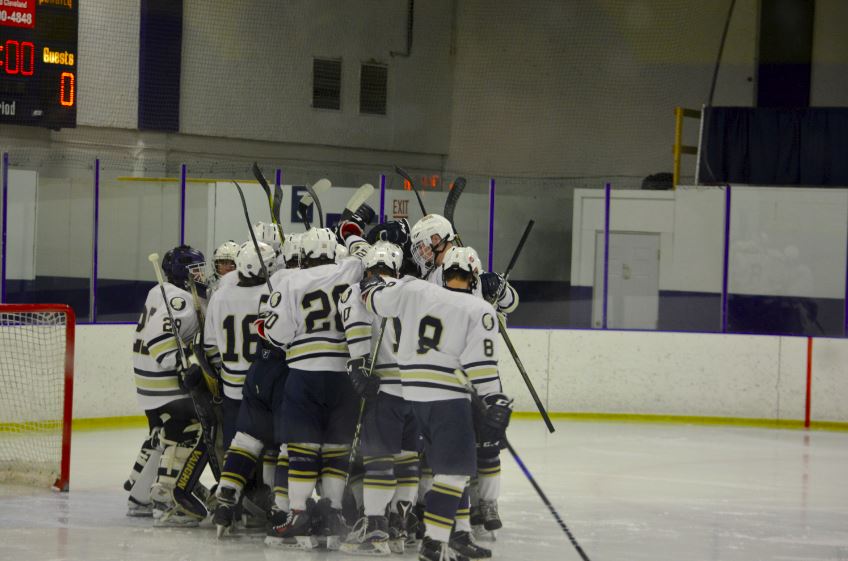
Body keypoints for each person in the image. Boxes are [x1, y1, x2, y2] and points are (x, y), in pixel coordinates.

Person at [362, 246, 512, 561]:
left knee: (444, 469)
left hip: (413, 394)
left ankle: (459, 535)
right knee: (456, 473)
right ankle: (434, 543)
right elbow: (481, 367)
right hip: (448, 397)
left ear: (445, 274)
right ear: (473, 277)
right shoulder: (479, 308)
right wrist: (495, 401)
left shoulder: (415, 289)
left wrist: (370, 286)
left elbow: (374, 299)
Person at [410, 214, 517, 534]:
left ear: (439, 240)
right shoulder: (429, 281)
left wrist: (500, 287)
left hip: (480, 373)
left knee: (486, 443)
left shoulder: (476, 271)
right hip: (447, 375)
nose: (422, 254)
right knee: (446, 446)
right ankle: (447, 504)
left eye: (424, 246)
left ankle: (487, 503)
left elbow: (510, 304)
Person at [261, 227, 365, 550]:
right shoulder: (348, 270)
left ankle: (298, 514)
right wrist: (351, 232)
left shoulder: (290, 280)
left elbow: (276, 335)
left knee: (302, 450)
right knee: (336, 449)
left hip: (304, 373)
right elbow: (365, 255)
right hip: (343, 375)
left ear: (304, 255)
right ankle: (332, 514)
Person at [338, 242, 420, 555]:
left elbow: (356, 330)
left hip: (384, 388)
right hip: (416, 388)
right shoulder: (413, 290)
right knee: (408, 459)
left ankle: (376, 528)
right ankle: (399, 525)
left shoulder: (359, 290)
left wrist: (357, 365)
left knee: (379, 462)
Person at [129, 245, 209, 527]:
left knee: (160, 435)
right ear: (182, 274)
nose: (201, 274)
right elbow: (159, 340)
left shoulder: (158, 291)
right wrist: (182, 363)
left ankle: (139, 495)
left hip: (146, 384)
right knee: (194, 430)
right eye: (195, 269)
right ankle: (167, 496)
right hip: (163, 385)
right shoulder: (182, 299)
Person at [207, 241, 282, 537]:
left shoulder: (220, 294)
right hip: (265, 383)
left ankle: (232, 505)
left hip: (231, 385)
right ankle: (268, 506)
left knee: (237, 446)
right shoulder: (272, 292)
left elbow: (210, 346)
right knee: (271, 447)